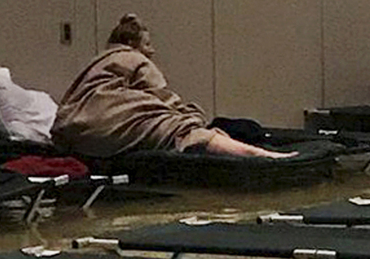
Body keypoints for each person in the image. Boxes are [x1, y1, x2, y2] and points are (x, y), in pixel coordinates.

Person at [52, 13, 296, 159]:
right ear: (130, 43)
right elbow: (167, 100)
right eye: (147, 44)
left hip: (72, 132)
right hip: (103, 130)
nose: (152, 50)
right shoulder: (134, 58)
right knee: (182, 128)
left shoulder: (97, 61)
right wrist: (195, 119)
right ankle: (263, 156)